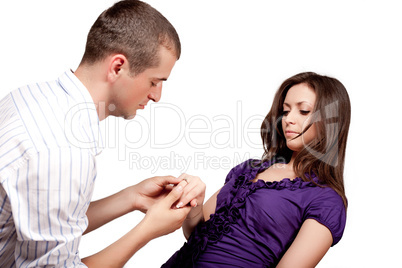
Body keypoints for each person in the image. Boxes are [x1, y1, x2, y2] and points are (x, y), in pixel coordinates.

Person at [0, 0, 205, 267]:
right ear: (117, 67)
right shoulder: (64, 150)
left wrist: (131, 198)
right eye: (154, 81)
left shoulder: (31, 96)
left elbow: (41, 221)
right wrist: (146, 231)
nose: (156, 96)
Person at [163, 72, 351, 267]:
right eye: (285, 111)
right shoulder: (248, 169)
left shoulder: (326, 200)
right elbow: (195, 235)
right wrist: (194, 204)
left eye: (303, 111)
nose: (288, 119)